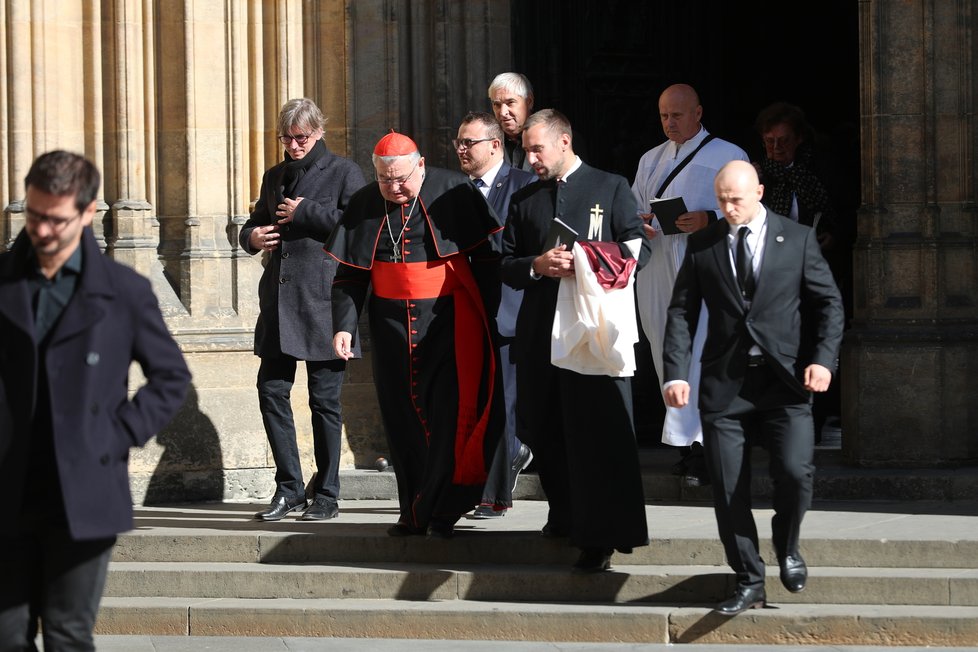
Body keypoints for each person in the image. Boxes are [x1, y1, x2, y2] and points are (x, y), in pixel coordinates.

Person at [0, 150, 191, 649]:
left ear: (88, 213)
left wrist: (117, 433)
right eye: (34, 215)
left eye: (55, 220)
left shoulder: (123, 291)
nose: (41, 230)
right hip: (7, 487)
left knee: (67, 635)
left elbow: (170, 377)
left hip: (83, 491)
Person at [662, 160, 844, 615]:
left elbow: (829, 304)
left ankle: (788, 545)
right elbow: (681, 312)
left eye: (736, 199)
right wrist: (677, 372)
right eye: (722, 199)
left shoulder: (796, 238)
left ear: (759, 192)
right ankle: (748, 578)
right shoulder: (704, 243)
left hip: (784, 382)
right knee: (726, 486)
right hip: (726, 385)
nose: (728, 208)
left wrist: (822, 361)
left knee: (796, 472)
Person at [326, 131, 503, 539]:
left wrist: (489, 319)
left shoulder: (452, 191)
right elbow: (350, 275)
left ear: (420, 166)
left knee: (446, 419)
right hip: (389, 331)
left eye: (402, 179)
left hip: (448, 324)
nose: (395, 188)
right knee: (401, 421)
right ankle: (412, 509)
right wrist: (343, 325)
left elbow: (487, 262)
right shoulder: (366, 202)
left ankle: (440, 510)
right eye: (386, 180)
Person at [501, 109, 650, 572]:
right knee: (544, 429)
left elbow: (636, 252)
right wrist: (537, 265)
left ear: (564, 141)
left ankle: (599, 535)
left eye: (537, 148)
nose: (530, 158)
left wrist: (586, 259)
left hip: (590, 333)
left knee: (593, 435)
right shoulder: (526, 197)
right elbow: (504, 261)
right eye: (526, 149)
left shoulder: (610, 186)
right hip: (542, 334)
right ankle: (564, 513)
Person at [241, 98, 366, 523]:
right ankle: (289, 488)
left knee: (324, 400)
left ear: (319, 133)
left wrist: (306, 212)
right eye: (287, 138)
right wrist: (253, 236)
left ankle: (327, 493)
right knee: (271, 391)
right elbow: (255, 221)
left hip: (323, 301)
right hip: (278, 301)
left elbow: (360, 227)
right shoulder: (275, 175)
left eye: (302, 138)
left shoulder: (344, 172)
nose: (294, 145)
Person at [631, 83, 748, 487]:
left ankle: (708, 447)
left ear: (698, 113)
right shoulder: (649, 159)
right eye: (664, 116)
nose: (669, 123)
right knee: (668, 352)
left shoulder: (728, 154)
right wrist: (641, 221)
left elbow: (749, 210)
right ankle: (684, 445)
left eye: (677, 115)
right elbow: (633, 208)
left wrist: (710, 218)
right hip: (660, 267)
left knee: (703, 352)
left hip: (704, 268)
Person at [455, 111, 536, 519]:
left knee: (504, 403)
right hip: (465, 312)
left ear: (495, 145)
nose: (462, 150)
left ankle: (494, 495)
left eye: (469, 142)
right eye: (459, 143)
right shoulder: (455, 191)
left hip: (510, 309)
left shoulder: (524, 186)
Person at [753, 101, 850, 443]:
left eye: (783, 141)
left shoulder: (821, 170)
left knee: (814, 338)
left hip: (815, 265)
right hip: (774, 270)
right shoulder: (758, 175)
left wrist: (835, 237)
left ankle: (819, 417)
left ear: (799, 140)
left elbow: (845, 207)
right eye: (769, 141)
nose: (776, 149)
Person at [488, 72, 535, 172]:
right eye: (497, 104)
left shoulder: (552, 139)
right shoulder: (487, 143)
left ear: (529, 101)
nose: (502, 112)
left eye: (510, 103)